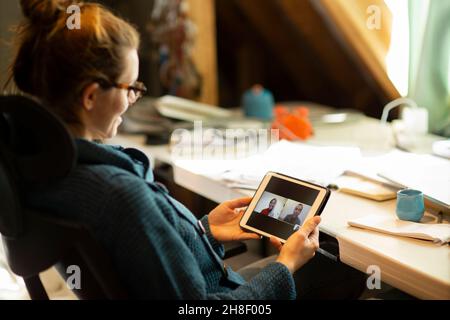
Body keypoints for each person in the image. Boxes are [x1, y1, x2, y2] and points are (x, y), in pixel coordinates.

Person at [7, 0, 365, 299]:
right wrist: (285, 265)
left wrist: (201, 230)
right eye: (130, 87)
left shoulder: (38, 170)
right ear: (90, 96)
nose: (133, 98)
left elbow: (137, 260)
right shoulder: (120, 195)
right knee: (354, 273)